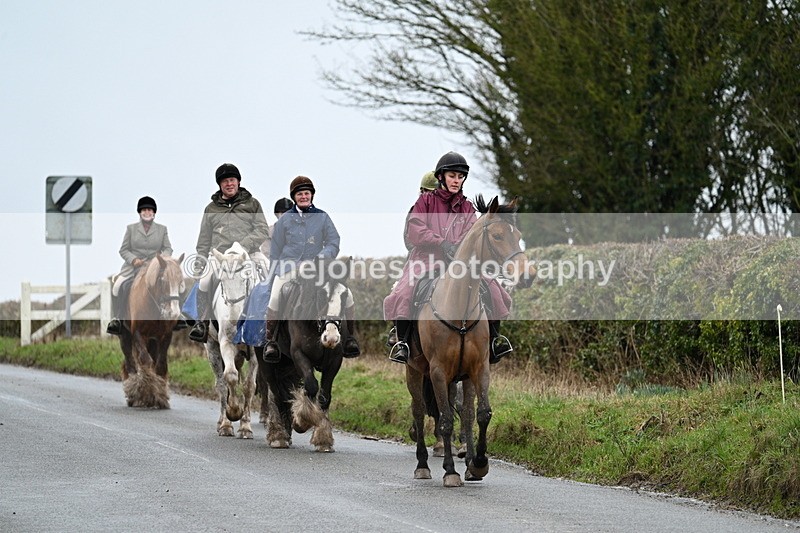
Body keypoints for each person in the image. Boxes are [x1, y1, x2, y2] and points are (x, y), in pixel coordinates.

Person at [383, 151, 514, 365]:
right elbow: (416, 229)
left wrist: (460, 247)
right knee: (404, 290)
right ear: (441, 177)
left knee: (493, 288)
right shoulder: (425, 201)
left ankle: (495, 341)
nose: (456, 180)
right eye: (452, 175)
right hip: (426, 259)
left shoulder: (467, 206)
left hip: (458, 262)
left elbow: (472, 233)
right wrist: (442, 243)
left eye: (460, 177)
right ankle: (403, 343)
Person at [261, 176, 361, 362]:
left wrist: (322, 257)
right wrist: (280, 269)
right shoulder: (285, 221)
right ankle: (271, 341)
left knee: (345, 293)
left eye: (307, 193)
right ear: (294, 197)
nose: (304, 196)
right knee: (275, 294)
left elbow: (333, 241)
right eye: (300, 194)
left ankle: (349, 339)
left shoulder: (322, 217)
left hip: (319, 268)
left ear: (312, 195)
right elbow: (275, 249)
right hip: (289, 268)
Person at [188, 163, 270, 343]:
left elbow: (262, 229)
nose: (229, 184)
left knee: (269, 278)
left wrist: (243, 246)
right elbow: (204, 240)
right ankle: (201, 323)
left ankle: (271, 328)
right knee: (203, 281)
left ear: (238, 182)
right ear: (220, 185)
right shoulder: (211, 209)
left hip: (248, 254)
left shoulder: (252, 203)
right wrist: (199, 263)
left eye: (232, 180)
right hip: (220, 256)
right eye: (225, 181)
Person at [107, 196, 175, 335]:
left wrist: (159, 260)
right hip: (133, 268)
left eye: (150, 210)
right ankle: (118, 319)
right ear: (139, 212)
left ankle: (175, 316)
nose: (147, 212)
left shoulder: (162, 229)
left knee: (176, 284)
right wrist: (133, 260)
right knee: (117, 286)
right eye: (144, 210)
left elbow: (168, 248)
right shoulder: (131, 229)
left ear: (154, 212)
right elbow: (123, 250)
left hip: (155, 268)